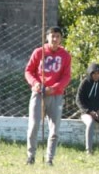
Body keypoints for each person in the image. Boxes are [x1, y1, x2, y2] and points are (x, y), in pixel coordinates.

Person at [24, 26, 72, 165]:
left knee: (54, 128)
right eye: (52, 36)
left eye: (57, 36)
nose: (55, 39)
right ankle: (30, 156)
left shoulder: (65, 55)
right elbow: (28, 71)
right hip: (38, 93)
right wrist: (35, 83)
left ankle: (50, 158)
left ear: (61, 38)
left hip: (56, 95)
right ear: (47, 37)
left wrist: (55, 88)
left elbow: (66, 76)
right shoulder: (39, 52)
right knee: (33, 126)